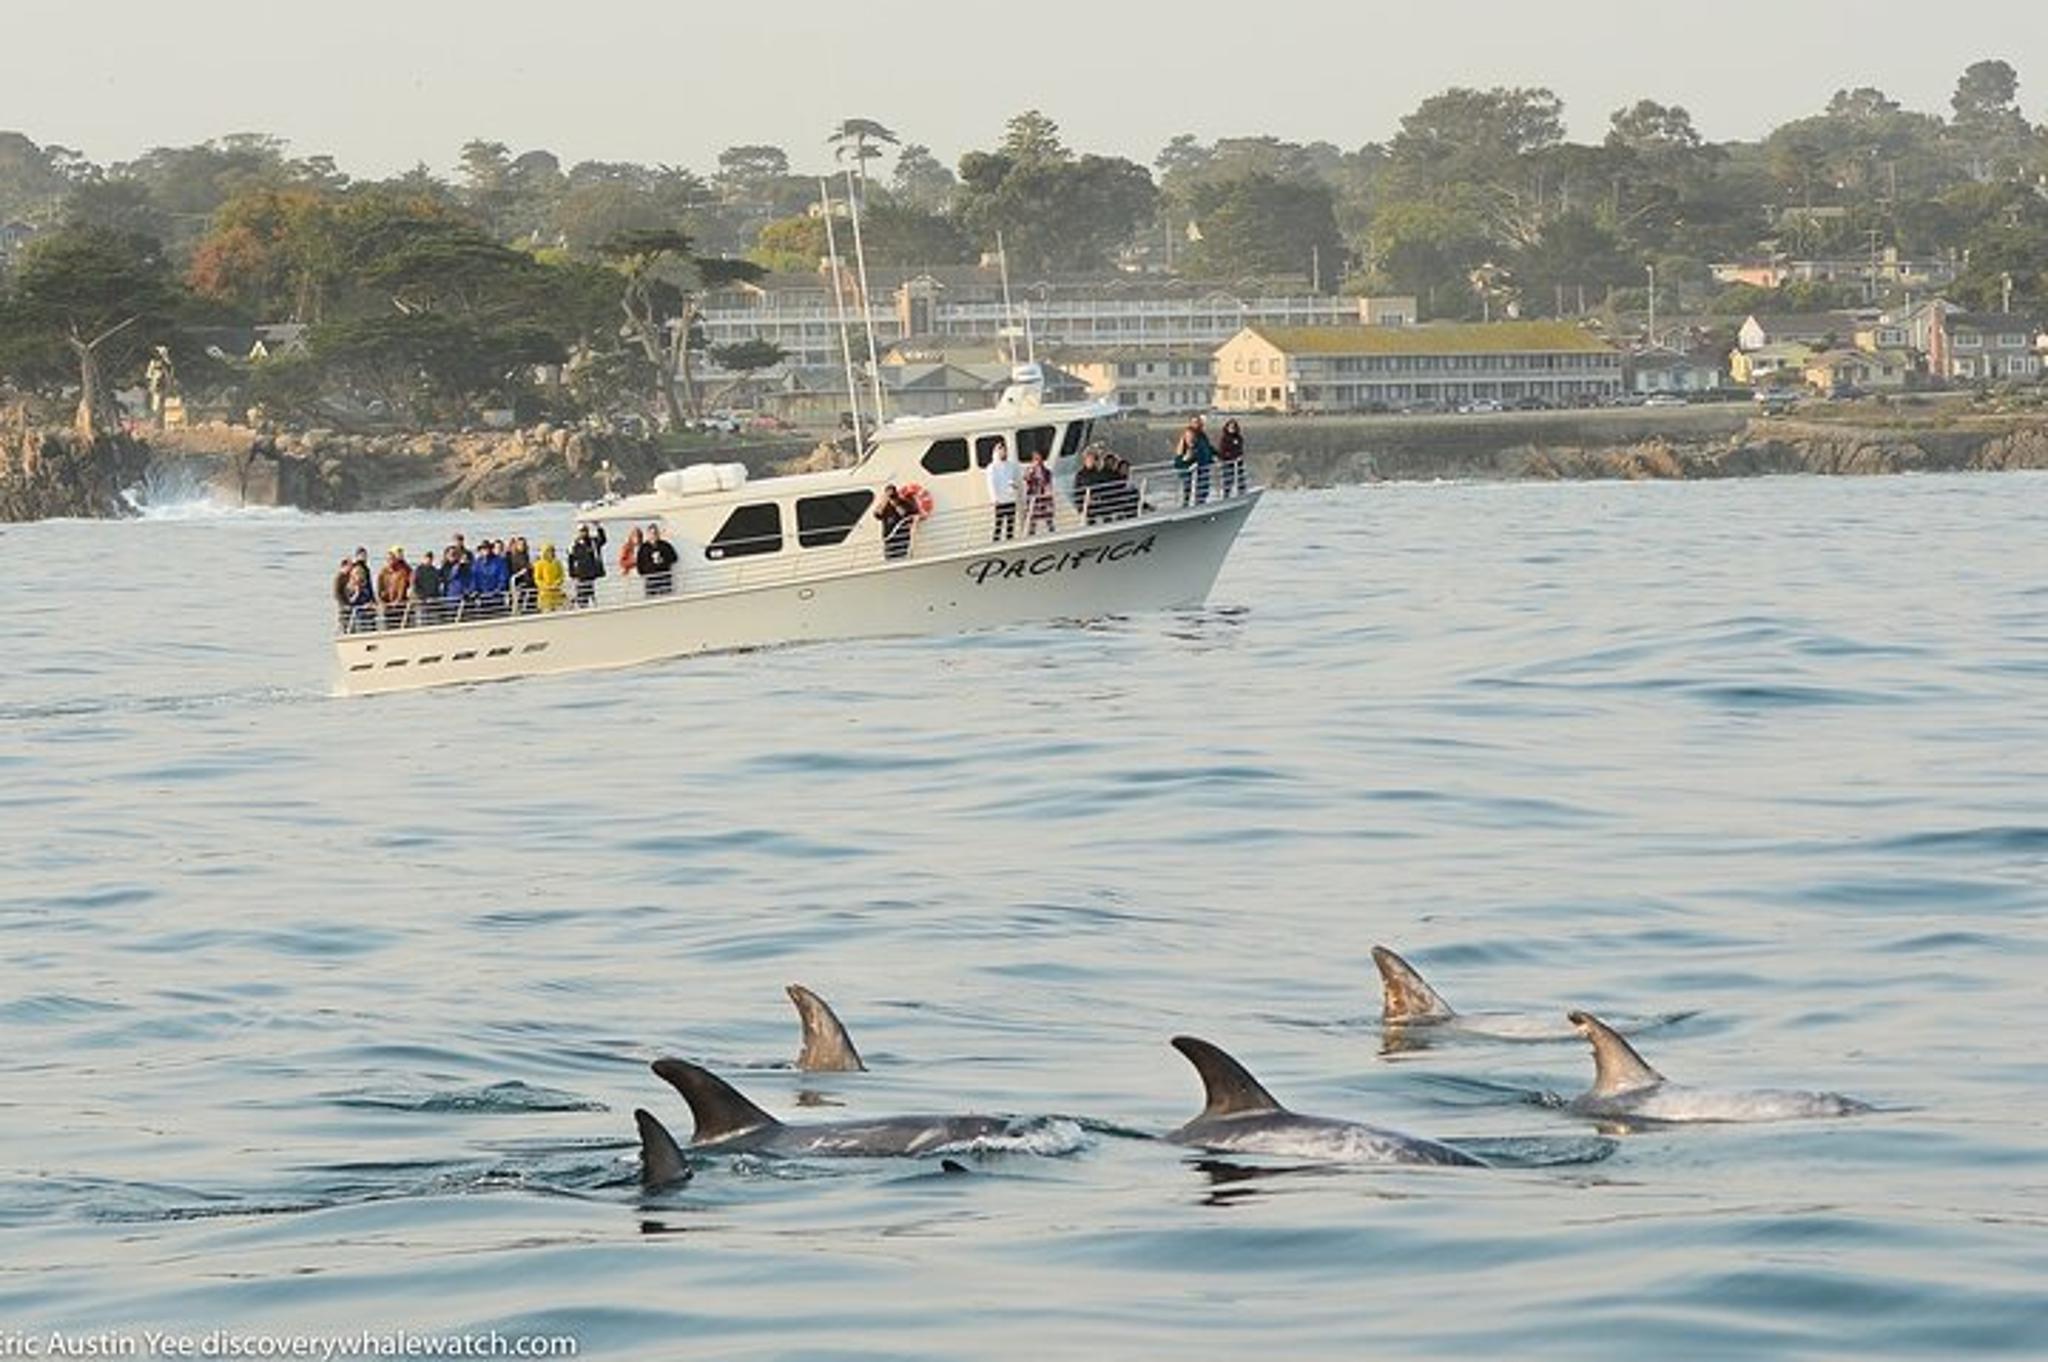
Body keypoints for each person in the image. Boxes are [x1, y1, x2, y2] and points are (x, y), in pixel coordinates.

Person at [1175, 415, 1217, 506]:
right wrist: (1185, 459)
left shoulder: (1202, 436)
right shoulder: (1188, 434)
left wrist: (1217, 456)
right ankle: (1187, 505)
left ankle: (1200, 503)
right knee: (1188, 489)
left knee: (1203, 489)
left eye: (1198, 422)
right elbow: (1179, 458)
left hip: (1203, 467)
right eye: (1194, 422)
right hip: (1191, 470)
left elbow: (1208, 448)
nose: (1197, 424)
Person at [874, 483, 919, 561]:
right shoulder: (884, 506)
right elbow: (877, 514)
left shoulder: (903, 502)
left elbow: (906, 514)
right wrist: (884, 501)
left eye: (892, 493)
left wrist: (896, 504)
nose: (891, 496)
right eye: (888, 493)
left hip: (901, 536)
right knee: (890, 558)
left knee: (902, 557)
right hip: (889, 537)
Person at [985, 438, 1018, 542]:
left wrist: (1014, 486)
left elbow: (1013, 479)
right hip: (1000, 500)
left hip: (1010, 498)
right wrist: (994, 499)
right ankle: (996, 542)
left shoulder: (1011, 465)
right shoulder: (992, 467)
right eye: (1001, 450)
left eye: (1004, 450)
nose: (1003, 452)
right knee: (999, 524)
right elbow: (991, 484)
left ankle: (1010, 541)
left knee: (1011, 524)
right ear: (996, 452)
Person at [567, 523, 607, 608]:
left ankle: (593, 606)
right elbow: (571, 560)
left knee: (591, 593)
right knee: (582, 594)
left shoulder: (593, 542)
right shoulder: (574, 545)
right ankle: (580, 606)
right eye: (582, 531)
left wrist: (598, 527)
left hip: (592, 573)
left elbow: (603, 540)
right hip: (581, 574)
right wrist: (572, 574)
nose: (584, 533)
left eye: (585, 530)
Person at [376, 547, 412, 631]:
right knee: (389, 627)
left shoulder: (402, 572)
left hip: (400, 605)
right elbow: (379, 588)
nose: (390, 561)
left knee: (402, 626)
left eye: (392, 559)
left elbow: (403, 587)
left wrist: (398, 601)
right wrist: (381, 600)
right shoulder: (383, 572)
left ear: (396, 560)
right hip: (388, 605)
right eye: (388, 559)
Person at [471, 539, 510, 617]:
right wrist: (475, 590)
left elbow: (503, 577)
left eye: (487, 548)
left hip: (496, 596)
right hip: (482, 597)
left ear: (491, 549)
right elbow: (473, 578)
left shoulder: (499, 561)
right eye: (483, 549)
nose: (485, 551)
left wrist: (498, 590)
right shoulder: (477, 563)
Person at [638, 523, 679, 595]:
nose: (653, 535)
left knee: (666, 596)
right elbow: (640, 563)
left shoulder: (665, 545)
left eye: (655, 533)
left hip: (664, 577)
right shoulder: (643, 548)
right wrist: (645, 572)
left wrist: (664, 561)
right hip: (651, 579)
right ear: (647, 534)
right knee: (652, 597)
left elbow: (674, 558)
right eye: (651, 533)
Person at [1023, 449, 1057, 535]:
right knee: (1032, 519)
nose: (1037, 461)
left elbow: (1049, 484)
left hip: (1044, 497)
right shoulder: (1029, 470)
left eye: (1038, 459)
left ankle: (1052, 533)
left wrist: (1050, 497)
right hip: (1033, 498)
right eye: (1035, 459)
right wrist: (1031, 471)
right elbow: (1026, 478)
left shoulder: (1047, 471)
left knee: (1048, 518)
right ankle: (1031, 534)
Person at [410, 547, 442, 626]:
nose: (429, 560)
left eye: (431, 559)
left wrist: (436, 596)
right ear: (423, 559)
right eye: (427, 558)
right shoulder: (418, 571)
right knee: (422, 621)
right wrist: (422, 597)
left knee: (433, 622)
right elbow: (414, 585)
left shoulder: (434, 570)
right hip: (422, 601)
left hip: (433, 600)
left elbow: (437, 584)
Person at [441, 544, 475, 620]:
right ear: (446, 555)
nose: (453, 556)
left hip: (464, 598)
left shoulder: (466, 567)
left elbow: (470, 580)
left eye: (455, 554)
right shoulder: (445, 567)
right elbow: (450, 577)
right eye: (451, 554)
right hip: (451, 599)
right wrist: (458, 566)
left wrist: (469, 591)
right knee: (451, 618)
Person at [341, 560, 375, 633]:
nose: (359, 575)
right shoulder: (349, 587)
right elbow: (350, 602)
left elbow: (369, 599)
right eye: (357, 573)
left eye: (361, 573)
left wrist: (371, 604)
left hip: (367, 614)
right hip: (355, 615)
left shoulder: (365, 587)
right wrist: (357, 592)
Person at [1218, 418, 1247, 498]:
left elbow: (1240, 450)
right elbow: (1222, 452)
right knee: (1227, 481)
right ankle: (1226, 496)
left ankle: (1242, 493)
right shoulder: (1224, 438)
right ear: (1227, 428)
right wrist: (1232, 457)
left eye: (1234, 427)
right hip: (1228, 463)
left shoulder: (1239, 438)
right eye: (1231, 427)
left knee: (1240, 480)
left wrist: (1239, 457)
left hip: (1238, 464)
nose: (1232, 429)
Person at [533, 542, 567, 612]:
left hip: (557, 591)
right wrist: (546, 586)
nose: (551, 553)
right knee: (547, 610)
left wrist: (557, 583)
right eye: (548, 551)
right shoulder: (539, 564)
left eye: (552, 551)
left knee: (559, 610)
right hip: (545, 593)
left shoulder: (557, 563)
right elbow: (537, 579)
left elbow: (562, 575)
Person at [505, 536, 535, 614]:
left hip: (527, 581)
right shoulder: (514, 556)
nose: (522, 546)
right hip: (518, 582)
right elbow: (514, 569)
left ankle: (528, 610)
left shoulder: (525, 555)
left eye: (524, 544)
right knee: (518, 600)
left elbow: (527, 567)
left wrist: (531, 567)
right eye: (520, 544)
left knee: (531, 597)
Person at [332, 556, 356, 632]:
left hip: (349, 602)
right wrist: (343, 604)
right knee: (343, 620)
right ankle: (342, 630)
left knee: (350, 619)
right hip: (343, 604)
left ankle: (347, 630)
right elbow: (336, 593)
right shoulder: (339, 577)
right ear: (344, 566)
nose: (352, 568)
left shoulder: (349, 576)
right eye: (350, 565)